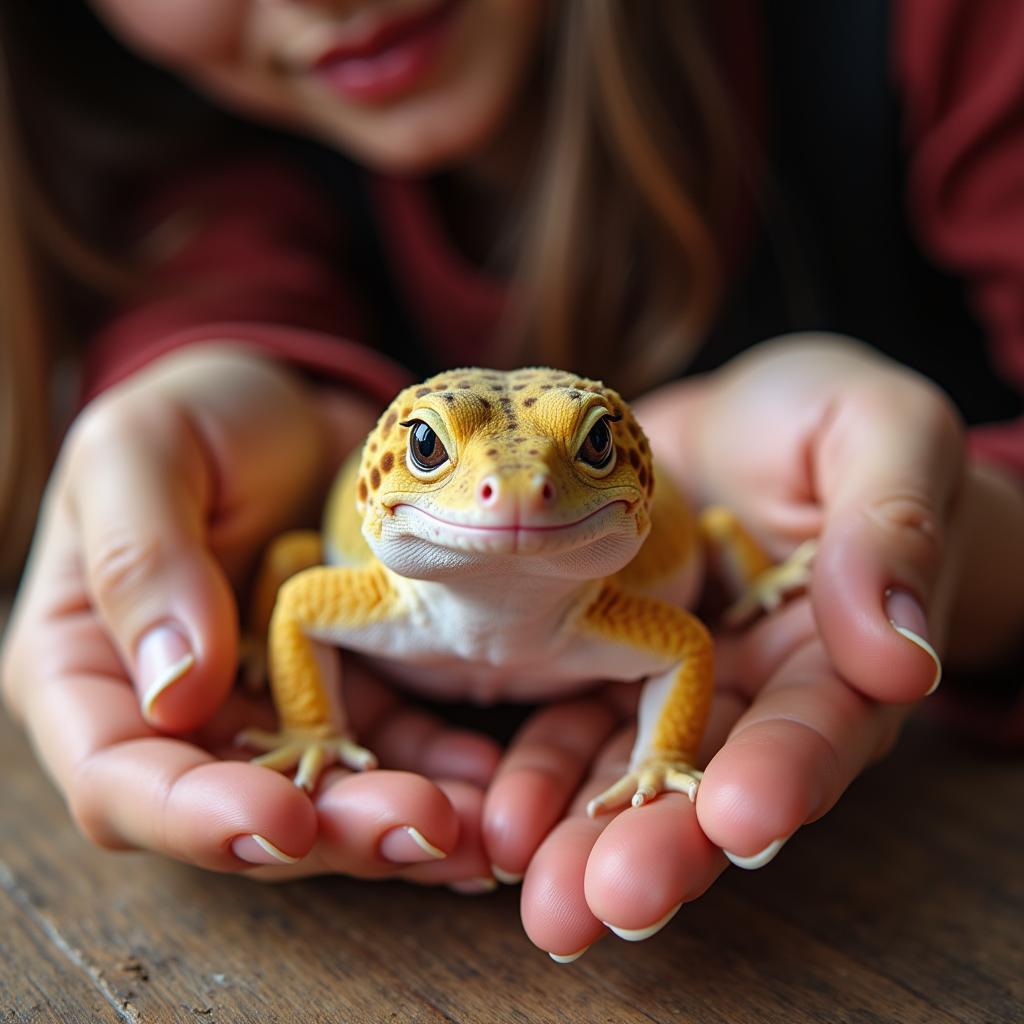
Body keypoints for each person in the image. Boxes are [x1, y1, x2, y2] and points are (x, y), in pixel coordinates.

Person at [2, 0, 1023, 962]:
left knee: (713, 542)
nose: (519, 493)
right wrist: (196, 381)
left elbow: (690, 641)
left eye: (581, 454)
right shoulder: (212, 161)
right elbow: (293, 575)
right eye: (437, 456)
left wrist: (975, 538)